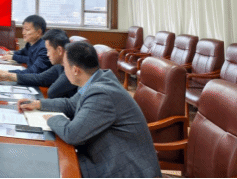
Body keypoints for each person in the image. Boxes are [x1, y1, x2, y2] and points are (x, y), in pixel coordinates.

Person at [18, 42, 161, 178]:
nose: (64, 70)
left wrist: (52, 119)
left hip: (122, 169)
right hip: (103, 156)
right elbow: (70, 104)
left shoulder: (101, 93)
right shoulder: (95, 81)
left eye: (65, 66)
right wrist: (38, 104)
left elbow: (72, 134)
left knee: (50, 166)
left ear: (75, 70)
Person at [0, 28, 77, 100]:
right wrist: (7, 75)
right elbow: (39, 78)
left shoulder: (72, 68)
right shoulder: (59, 66)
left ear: (59, 50)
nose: (47, 54)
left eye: (48, 50)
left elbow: (52, 92)